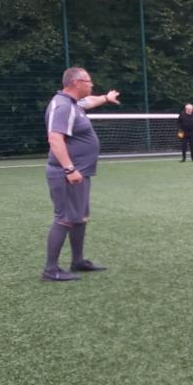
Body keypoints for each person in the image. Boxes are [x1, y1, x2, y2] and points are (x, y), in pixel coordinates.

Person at [42, 67, 120, 281]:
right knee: (64, 219)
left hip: (80, 173)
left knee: (79, 218)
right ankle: (51, 270)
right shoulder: (62, 106)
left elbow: (91, 101)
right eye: (88, 81)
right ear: (76, 83)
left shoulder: (74, 104)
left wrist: (106, 97)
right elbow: (55, 139)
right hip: (67, 173)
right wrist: (69, 168)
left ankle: (77, 261)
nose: (91, 84)